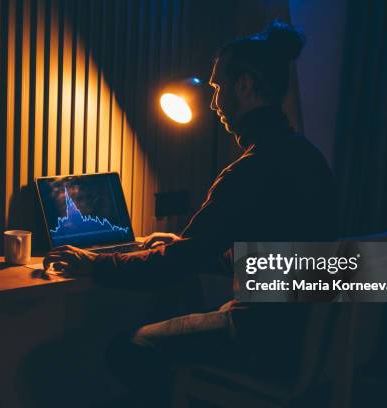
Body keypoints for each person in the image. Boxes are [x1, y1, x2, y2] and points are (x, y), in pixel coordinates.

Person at [44, 20, 337, 407]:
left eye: (217, 88)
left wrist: (95, 265)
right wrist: (198, 250)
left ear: (245, 87)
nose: (214, 103)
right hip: (308, 339)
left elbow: (174, 267)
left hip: (263, 340)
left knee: (130, 347)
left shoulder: (251, 169)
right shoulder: (308, 157)